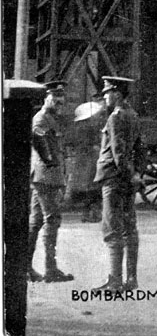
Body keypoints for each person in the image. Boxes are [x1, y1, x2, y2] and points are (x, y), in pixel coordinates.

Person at [92, 76, 146, 292]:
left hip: (113, 179)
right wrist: (137, 174)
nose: (105, 96)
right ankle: (131, 280)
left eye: (107, 92)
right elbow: (141, 149)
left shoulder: (115, 118)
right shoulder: (133, 115)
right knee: (129, 229)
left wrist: (128, 173)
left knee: (112, 229)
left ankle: (114, 282)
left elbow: (118, 152)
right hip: (127, 180)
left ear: (117, 94)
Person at [27, 80, 74, 283]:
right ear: (46, 97)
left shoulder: (51, 119)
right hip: (45, 177)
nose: (58, 101)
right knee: (51, 220)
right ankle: (50, 269)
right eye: (55, 97)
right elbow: (42, 147)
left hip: (47, 177)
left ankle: (24, 267)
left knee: (36, 222)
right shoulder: (40, 119)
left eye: (61, 98)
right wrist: (53, 164)